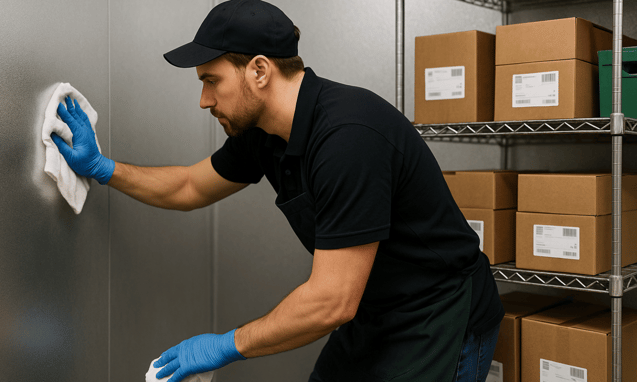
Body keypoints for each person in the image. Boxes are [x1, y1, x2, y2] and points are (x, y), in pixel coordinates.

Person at [51, 0, 505, 381]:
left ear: (260, 71)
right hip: (370, 311)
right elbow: (190, 186)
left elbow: (331, 301)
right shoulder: (263, 132)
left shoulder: (348, 137)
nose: (204, 100)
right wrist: (103, 168)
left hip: (439, 315)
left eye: (212, 81)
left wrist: (226, 345)